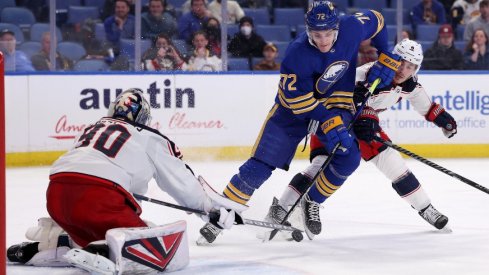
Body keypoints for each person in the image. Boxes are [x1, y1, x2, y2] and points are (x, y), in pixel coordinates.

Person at [198, 1, 401, 243]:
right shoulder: (297, 53)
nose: (323, 40)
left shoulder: (352, 27)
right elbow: (298, 102)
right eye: (317, 34)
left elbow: (378, 19)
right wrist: (327, 120)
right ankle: (223, 212)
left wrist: (385, 54)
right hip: (292, 112)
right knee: (261, 164)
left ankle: (311, 201)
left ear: (337, 28)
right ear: (308, 31)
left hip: (335, 104)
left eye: (328, 33)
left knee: (348, 156)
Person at [6, 88, 245, 273]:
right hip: (99, 200)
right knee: (152, 241)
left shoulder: (92, 127)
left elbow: (80, 167)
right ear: (144, 116)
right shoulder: (149, 137)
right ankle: (104, 251)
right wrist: (211, 210)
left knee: (94, 223)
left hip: (56, 197)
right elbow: (182, 183)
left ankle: (49, 247)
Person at [268, 39, 457, 240]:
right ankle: (281, 208)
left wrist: (444, 121)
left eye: (410, 66)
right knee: (321, 166)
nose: (403, 70)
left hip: (366, 128)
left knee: (395, 164)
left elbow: (426, 106)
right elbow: (340, 96)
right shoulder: (368, 73)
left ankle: (426, 208)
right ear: (393, 59)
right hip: (336, 123)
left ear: (416, 69)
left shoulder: (410, 85)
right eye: (401, 62)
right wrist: (364, 112)